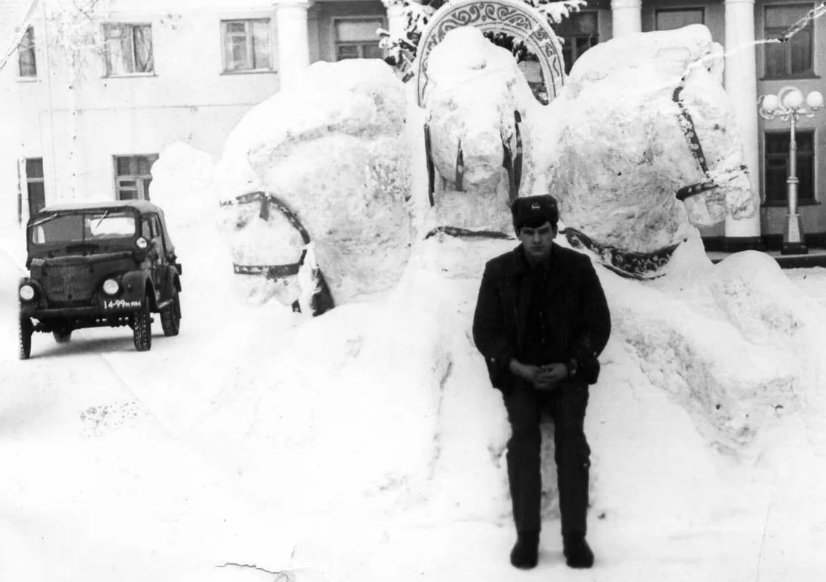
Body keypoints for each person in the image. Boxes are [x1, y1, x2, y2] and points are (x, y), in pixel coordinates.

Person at [472, 195, 611, 570]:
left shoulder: (578, 268)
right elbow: (484, 331)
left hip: (567, 375)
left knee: (571, 443)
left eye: (544, 231)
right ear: (518, 233)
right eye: (529, 232)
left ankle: (575, 540)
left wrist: (570, 366)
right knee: (523, 443)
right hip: (521, 377)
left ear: (554, 231)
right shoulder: (498, 271)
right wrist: (517, 367)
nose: (537, 240)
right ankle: (527, 538)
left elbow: (598, 325)